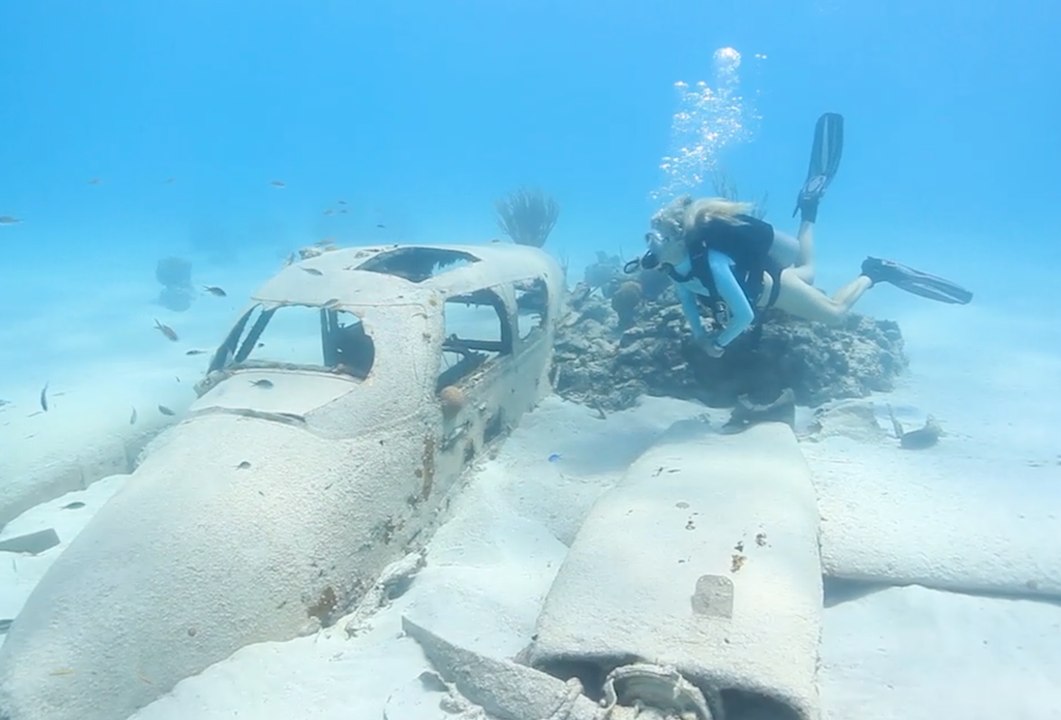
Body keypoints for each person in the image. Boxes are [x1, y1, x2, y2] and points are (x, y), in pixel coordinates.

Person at [628, 113, 972, 358]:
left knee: (836, 315)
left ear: (677, 239)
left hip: (774, 290)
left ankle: (873, 273)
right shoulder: (673, 265)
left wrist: (719, 342)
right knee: (807, 266)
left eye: (657, 237)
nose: (650, 245)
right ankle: (809, 208)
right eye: (650, 237)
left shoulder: (713, 264)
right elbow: (688, 299)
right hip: (768, 278)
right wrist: (700, 334)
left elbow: (744, 315)